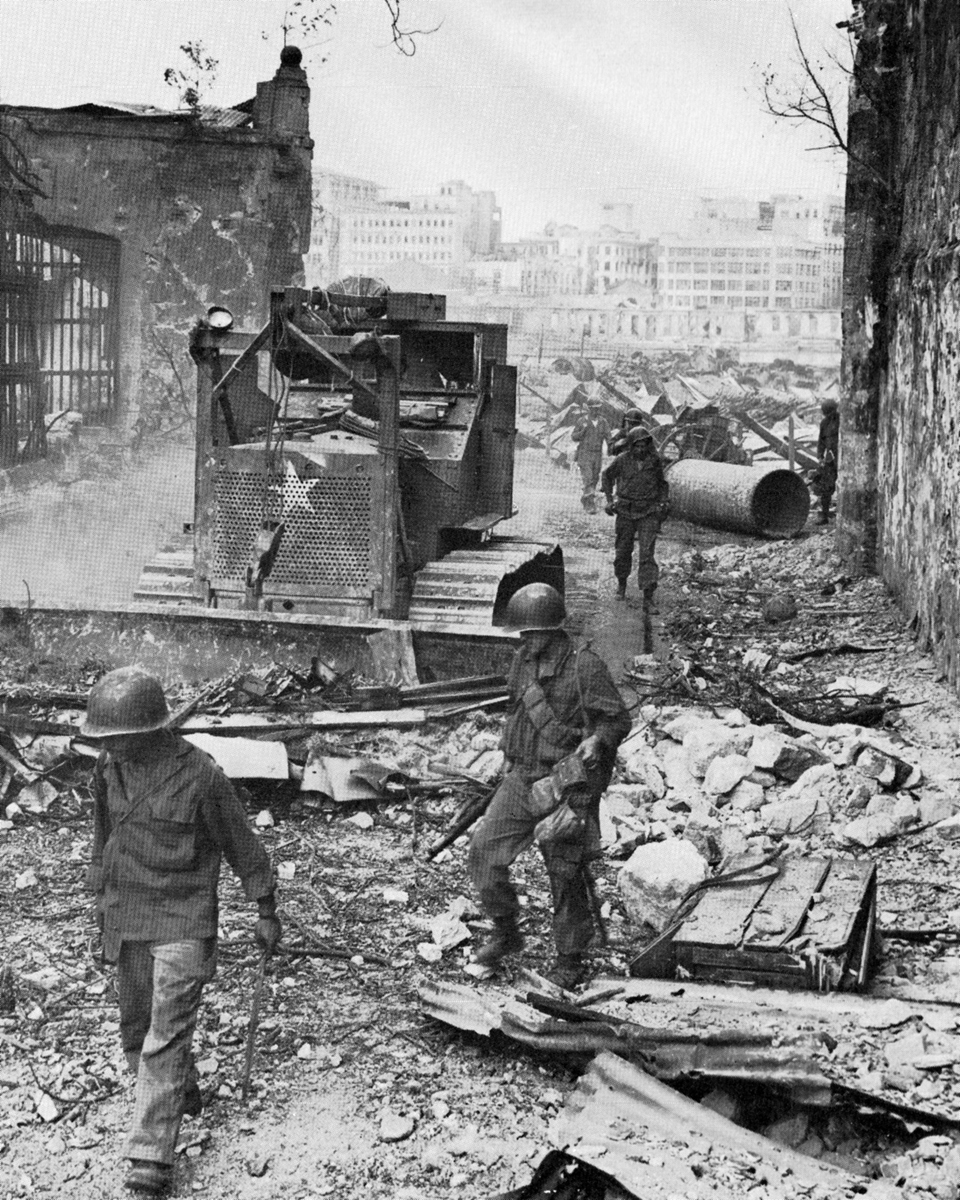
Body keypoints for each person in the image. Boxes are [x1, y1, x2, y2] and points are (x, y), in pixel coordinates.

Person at [82, 667, 281, 1196]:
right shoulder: (109, 767)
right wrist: (100, 894)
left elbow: (242, 844)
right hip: (129, 915)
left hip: (182, 920)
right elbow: (104, 834)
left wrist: (265, 907)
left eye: (118, 737)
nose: (110, 746)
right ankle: (180, 1091)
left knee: (164, 1038)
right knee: (135, 1029)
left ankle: (150, 1158)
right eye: (105, 739)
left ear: (149, 730)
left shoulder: (200, 776)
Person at [468, 584, 631, 989]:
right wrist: (507, 753)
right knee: (484, 852)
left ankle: (570, 957)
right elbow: (515, 710)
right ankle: (506, 931)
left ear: (553, 630)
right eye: (521, 634)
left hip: (565, 783)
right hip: (522, 778)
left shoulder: (584, 666)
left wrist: (598, 740)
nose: (525, 641)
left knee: (565, 871)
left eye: (532, 633)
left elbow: (616, 719)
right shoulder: (522, 660)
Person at [601, 426, 670, 604]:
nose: (640, 450)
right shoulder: (622, 460)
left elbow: (662, 484)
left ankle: (648, 595)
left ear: (648, 445)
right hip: (625, 510)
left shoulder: (654, 461)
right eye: (637, 446)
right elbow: (606, 476)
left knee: (647, 553)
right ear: (631, 446)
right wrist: (609, 500)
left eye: (643, 446)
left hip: (648, 511)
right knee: (623, 551)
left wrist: (663, 502)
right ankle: (621, 584)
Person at [570, 395, 613, 511]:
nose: (596, 410)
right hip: (584, 453)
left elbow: (609, 436)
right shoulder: (582, 421)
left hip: (597, 454)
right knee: (588, 478)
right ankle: (590, 504)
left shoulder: (603, 422)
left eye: (598, 408)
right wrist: (582, 432)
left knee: (594, 478)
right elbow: (574, 437)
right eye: (593, 408)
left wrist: (611, 446)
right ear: (589, 408)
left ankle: (586, 498)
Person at [817, 397, 840, 524]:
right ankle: (824, 516)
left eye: (830, 413)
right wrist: (820, 456)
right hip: (830, 459)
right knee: (826, 487)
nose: (829, 416)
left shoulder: (842, 421)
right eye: (826, 414)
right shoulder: (824, 423)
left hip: (842, 458)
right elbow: (821, 441)